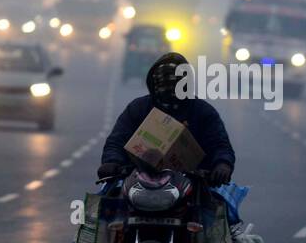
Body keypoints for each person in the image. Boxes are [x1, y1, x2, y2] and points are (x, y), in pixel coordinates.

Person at [97, 52, 236, 184]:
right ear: (154, 84)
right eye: (163, 83)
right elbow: (117, 140)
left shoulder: (203, 111)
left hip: (193, 186)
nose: (169, 90)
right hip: (138, 182)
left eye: (175, 84)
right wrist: (111, 162)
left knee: (217, 207)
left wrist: (222, 165)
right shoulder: (138, 108)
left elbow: (220, 144)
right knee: (102, 205)